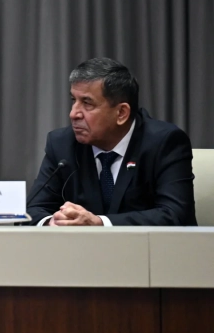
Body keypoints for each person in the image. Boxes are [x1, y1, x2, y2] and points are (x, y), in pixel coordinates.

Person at [26, 57, 196, 226]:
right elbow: (33, 210)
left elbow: (175, 215)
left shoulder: (164, 142)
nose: (73, 114)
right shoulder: (62, 144)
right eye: (74, 100)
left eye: (87, 103)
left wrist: (100, 223)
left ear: (121, 113)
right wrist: (52, 222)